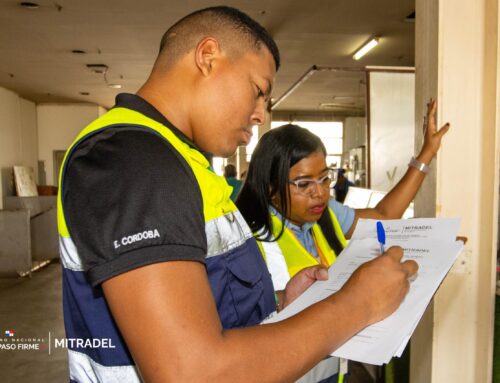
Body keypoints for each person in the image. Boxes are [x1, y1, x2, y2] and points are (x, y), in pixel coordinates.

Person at [57, 6, 417, 382]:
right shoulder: (135, 159)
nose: (260, 114)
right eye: (258, 91)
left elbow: (199, 308)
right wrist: (358, 303)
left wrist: (277, 302)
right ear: (208, 57)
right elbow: (190, 373)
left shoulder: (181, 162)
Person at [236, 99, 448, 382]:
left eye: (325, 179)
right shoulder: (249, 237)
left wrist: (425, 155)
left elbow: (383, 214)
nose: (319, 193)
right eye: (304, 183)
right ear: (271, 187)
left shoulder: (325, 214)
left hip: (333, 369)